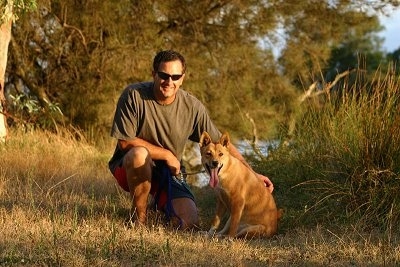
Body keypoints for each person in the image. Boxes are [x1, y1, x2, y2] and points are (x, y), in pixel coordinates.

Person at [108, 50, 273, 230]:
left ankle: (159, 209)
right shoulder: (133, 95)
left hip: (171, 172)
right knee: (139, 154)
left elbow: (223, 145)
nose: (169, 82)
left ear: (182, 78)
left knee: (189, 224)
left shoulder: (192, 106)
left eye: (175, 76)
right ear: (154, 74)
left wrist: (253, 174)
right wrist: (167, 155)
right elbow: (124, 142)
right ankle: (138, 219)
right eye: (163, 75)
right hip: (132, 168)